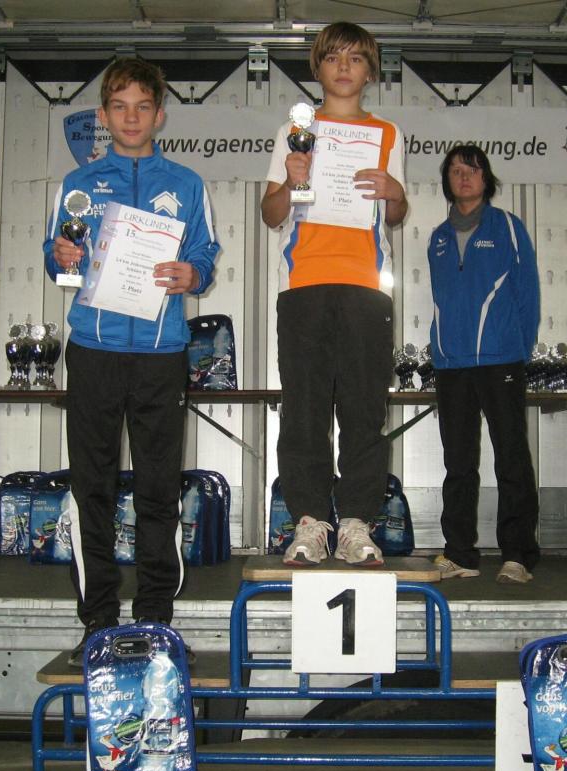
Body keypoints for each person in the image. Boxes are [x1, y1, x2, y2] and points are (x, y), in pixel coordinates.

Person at [43, 58, 220, 665]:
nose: (131, 117)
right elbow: (56, 256)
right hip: (93, 352)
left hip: (161, 354)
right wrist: (62, 255)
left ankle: (154, 619)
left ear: (160, 115)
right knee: (90, 488)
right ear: (103, 115)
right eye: (119, 106)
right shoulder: (78, 184)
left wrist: (194, 273)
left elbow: (205, 253)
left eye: (143, 106)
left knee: (158, 490)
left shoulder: (187, 184)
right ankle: (97, 621)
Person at [261, 21, 407, 567]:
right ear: (317, 68)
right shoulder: (295, 130)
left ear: (370, 72)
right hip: (304, 285)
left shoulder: (388, 134)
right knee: (303, 411)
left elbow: (394, 215)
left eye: (356, 58)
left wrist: (395, 192)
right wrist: (291, 178)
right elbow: (271, 213)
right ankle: (308, 522)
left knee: (364, 411)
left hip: (367, 287)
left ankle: (355, 523)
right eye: (333, 57)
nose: (344, 67)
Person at [427, 144, 540, 584]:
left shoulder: (507, 227)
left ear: (485, 179)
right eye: (456, 171)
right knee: (458, 463)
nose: (464, 177)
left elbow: (527, 293)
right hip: (451, 366)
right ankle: (460, 554)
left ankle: (518, 555)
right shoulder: (438, 237)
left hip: (501, 360)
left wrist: (519, 348)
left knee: (511, 458)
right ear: (447, 180)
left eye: (472, 170)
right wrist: (439, 352)